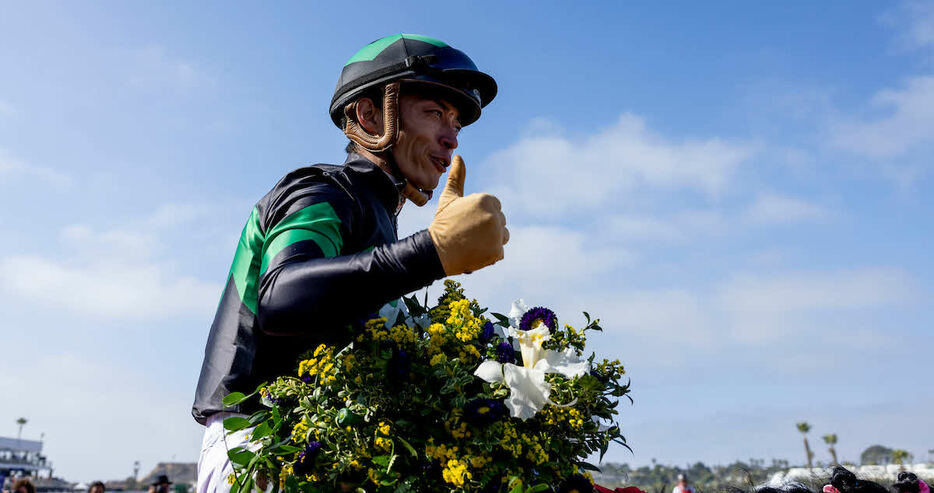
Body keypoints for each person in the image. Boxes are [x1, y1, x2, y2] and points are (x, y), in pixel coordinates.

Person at [193, 33, 506, 493]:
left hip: (321, 450)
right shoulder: (322, 189)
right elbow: (280, 297)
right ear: (368, 114)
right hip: (260, 447)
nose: (451, 138)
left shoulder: (378, 213)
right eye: (435, 113)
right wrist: (431, 252)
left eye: (457, 121)